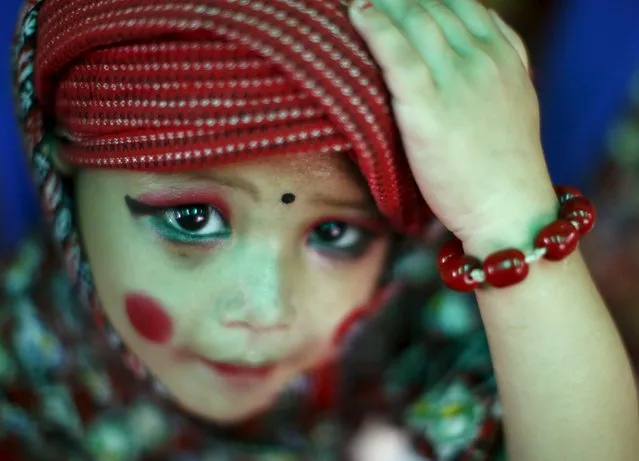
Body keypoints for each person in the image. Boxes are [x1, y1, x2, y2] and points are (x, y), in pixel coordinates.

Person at [2, 0, 637, 459]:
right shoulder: (20, 359)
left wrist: (505, 211)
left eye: (336, 234)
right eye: (192, 219)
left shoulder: (425, 338)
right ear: (60, 157)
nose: (266, 309)